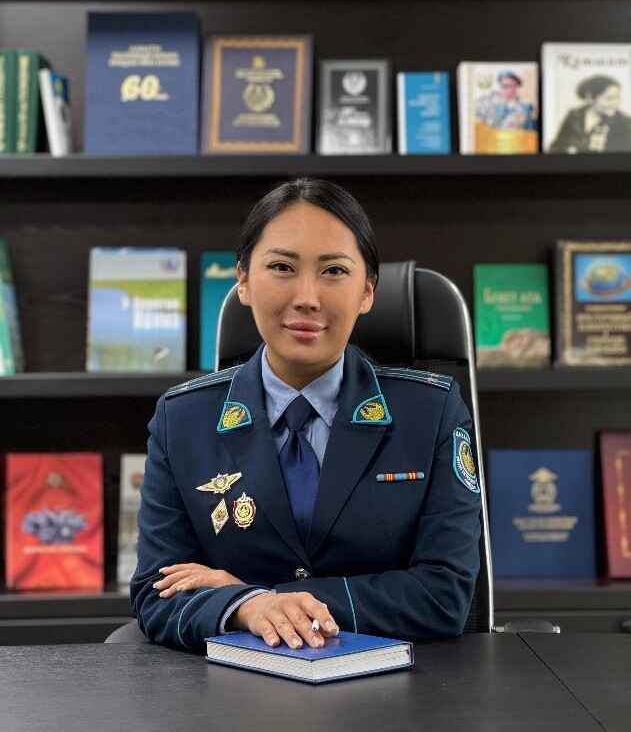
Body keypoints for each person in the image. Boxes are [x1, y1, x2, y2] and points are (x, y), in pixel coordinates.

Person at [130, 178, 482, 653]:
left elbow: (445, 595)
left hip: (399, 682)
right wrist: (250, 606)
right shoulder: (183, 419)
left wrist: (258, 600)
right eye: (282, 267)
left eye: (334, 271)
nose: (307, 297)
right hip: (232, 687)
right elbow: (159, 593)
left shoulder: (431, 411)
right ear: (243, 281)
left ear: (367, 292)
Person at [549, 74, 631, 153]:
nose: (616, 103)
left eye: (617, 98)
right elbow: (555, 148)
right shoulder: (574, 115)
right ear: (590, 98)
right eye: (609, 98)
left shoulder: (625, 122)